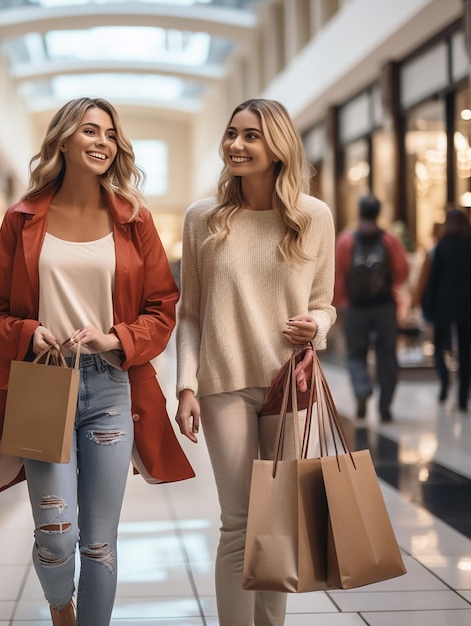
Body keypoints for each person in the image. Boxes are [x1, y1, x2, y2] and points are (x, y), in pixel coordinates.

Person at [0, 97, 194, 626]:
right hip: (43, 385)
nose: (102, 143)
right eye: (90, 131)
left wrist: (116, 338)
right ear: (63, 139)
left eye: (110, 134)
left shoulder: (135, 221)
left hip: (111, 388)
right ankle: (61, 608)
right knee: (56, 533)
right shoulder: (21, 220)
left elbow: (163, 309)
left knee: (99, 543)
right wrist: (28, 332)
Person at [175, 98, 336, 626]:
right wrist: (186, 386)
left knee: (279, 520)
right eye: (231, 134)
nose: (236, 146)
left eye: (250, 137)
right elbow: (190, 312)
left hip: (290, 384)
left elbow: (324, 302)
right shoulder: (203, 219)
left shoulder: (313, 217)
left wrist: (319, 325)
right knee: (240, 523)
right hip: (224, 384)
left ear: (278, 147)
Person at [333, 194, 409, 422]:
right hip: (384, 306)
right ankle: (385, 405)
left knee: (356, 353)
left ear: (359, 212)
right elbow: (402, 271)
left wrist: (340, 303)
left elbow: (338, 275)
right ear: (378, 213)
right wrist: (389, 286)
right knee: (387, 354)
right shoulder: (389, 240)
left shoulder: (346, 240)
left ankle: (362, 390)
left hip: (356, 308)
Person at [426, 208, 471, 411]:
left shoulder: (443, 246)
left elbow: (433, 280)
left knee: (440, 346)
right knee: (465, 353)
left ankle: (444, 382)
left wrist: (429, 307)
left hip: (444, 306)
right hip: (468, 308)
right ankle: (463, 398)